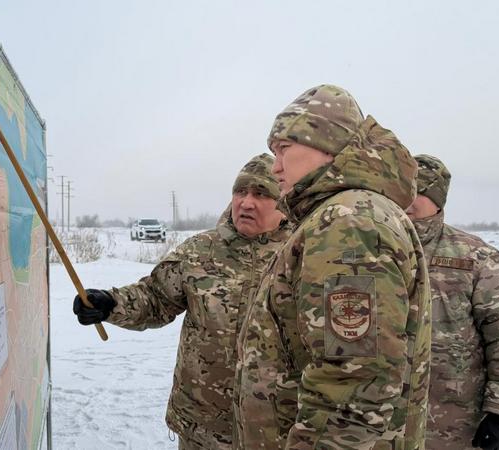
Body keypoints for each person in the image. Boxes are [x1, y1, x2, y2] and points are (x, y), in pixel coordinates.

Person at [234, 84, 431, 449]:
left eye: (284, 149)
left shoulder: (348, 221)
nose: (275, 167)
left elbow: (354, 383)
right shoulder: (345, 213)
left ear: (326, 145)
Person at [72, 154, 291, 449]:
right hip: (203, 429)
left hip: (279, 431)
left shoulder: (303, 253)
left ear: (283, 199)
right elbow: (156, 297)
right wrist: (111, 304)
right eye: (240, 191)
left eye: (261, 193)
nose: (246, 202)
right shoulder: (199, 251)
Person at [407, 154, 499, 450]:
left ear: (438, 199)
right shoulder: (369, 250)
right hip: (378, 422)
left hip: (453, 425)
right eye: (401, 190)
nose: (407, 200)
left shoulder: (475, 256)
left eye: (418, 191)